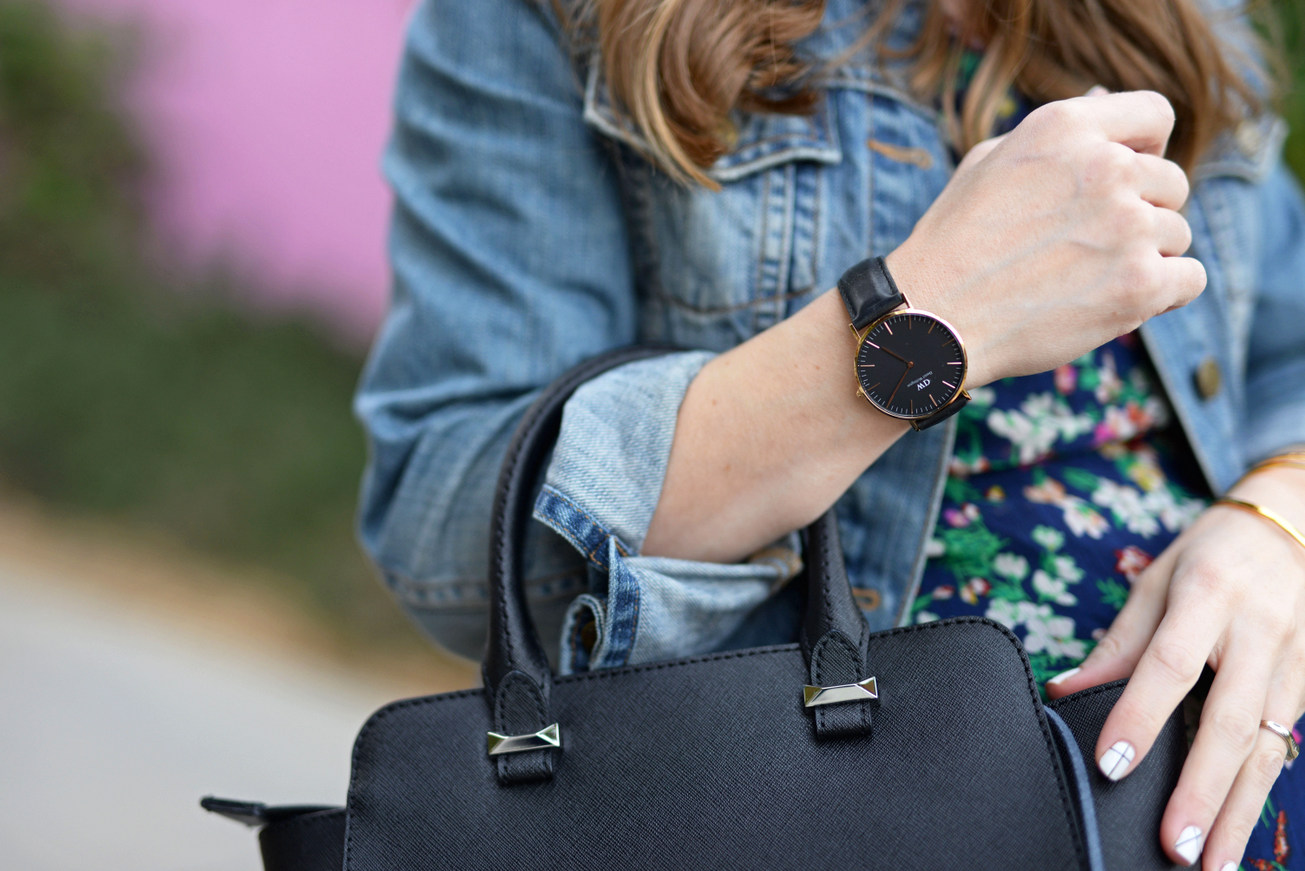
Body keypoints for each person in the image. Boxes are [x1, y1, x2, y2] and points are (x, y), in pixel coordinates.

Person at [354, 0, 1305, 866]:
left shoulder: (1188, 16)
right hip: (852, 803)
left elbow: (1283, 356)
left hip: (1234, 766)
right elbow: (444, 527)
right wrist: (926, 317)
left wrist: (1277, 519)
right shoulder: (549, 18)